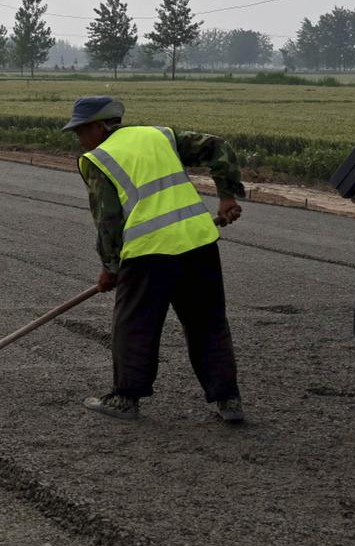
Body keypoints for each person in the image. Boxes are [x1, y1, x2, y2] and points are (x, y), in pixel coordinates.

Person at [64, 95, 247, 423]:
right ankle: (228, 400)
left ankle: (125, 399)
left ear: (97, 126)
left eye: (79, 130)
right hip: (199, 244)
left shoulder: (97, 158)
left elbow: (107, 220)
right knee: (208, 324)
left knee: (134, 326)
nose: (78, 138)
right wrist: (226, 196)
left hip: (149, 253)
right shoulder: (159, 135)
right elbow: (219, 146)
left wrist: (110, 266)